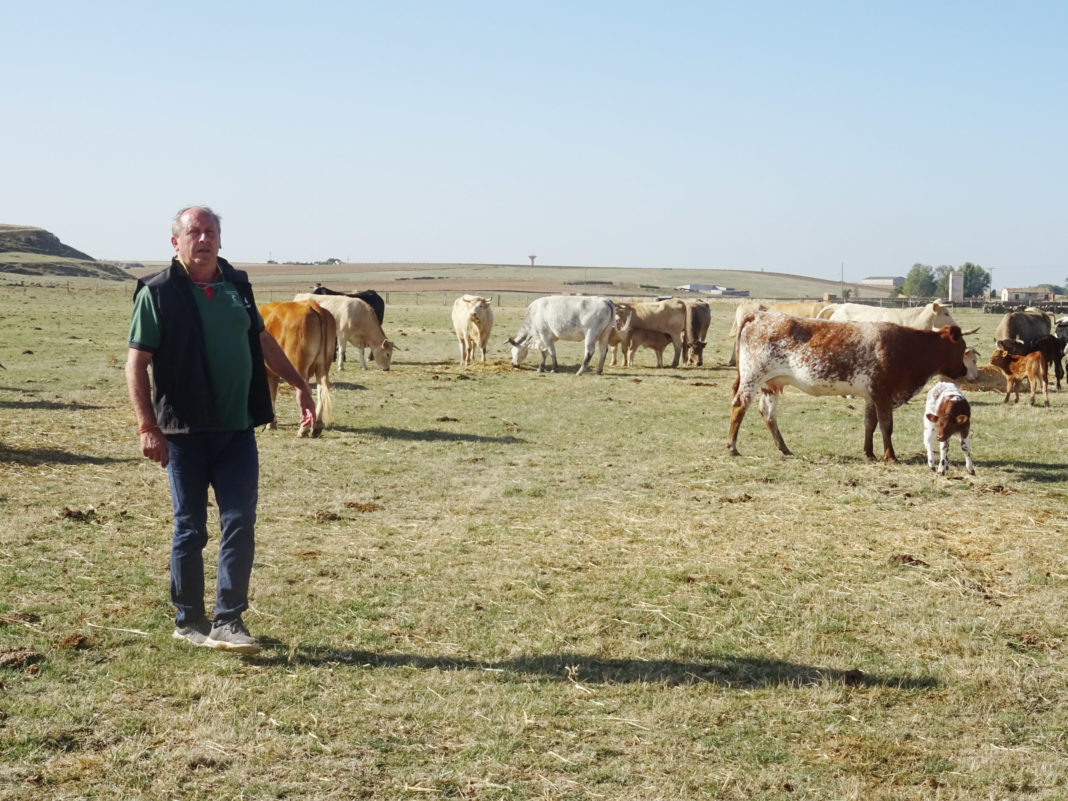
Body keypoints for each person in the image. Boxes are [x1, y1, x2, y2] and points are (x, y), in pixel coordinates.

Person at [125, 206, 316, 654]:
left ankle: (229, 620)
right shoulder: (157, 292)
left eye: (210, 231)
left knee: (240, 521)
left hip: (236, 430)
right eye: (194, 232)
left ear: (220, 239)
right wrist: (147, 426)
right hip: (183, 433)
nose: (203, 239)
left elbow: (262, 340)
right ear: (176, 242)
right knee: (191, 527)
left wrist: (299, 385)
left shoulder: (238, 286)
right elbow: (136, 363)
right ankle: (188, 618)